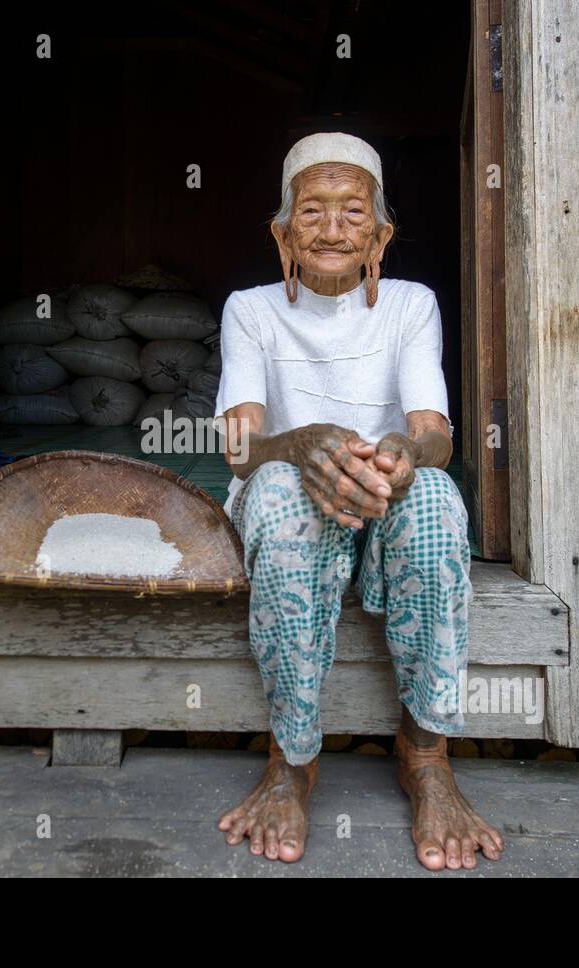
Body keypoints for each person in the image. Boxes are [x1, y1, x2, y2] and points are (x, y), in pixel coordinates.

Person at [214, 133, 504, 870]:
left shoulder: (411, 305)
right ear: (283, 234)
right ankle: (292, 758)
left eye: (353, 211)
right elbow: (241, 448)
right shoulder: (249, 311)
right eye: (312, 210)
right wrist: (299, 444)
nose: (333, 228)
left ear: (382, 235)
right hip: (287, 495)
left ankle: (427, 756)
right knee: (277, 494)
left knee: (437, 500)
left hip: (385, 495)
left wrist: (404, 458)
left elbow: (433, 433)